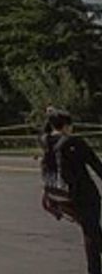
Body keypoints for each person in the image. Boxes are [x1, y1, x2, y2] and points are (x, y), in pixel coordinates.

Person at [43, 108, 102, 274]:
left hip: (61, 197)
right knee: (91, 233)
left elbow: (44, 130)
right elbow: (97, 166)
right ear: (67, 125)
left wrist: (50, 114)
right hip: (85, 195)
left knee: (91, 229)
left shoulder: (46, 141)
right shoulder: (76, 143)